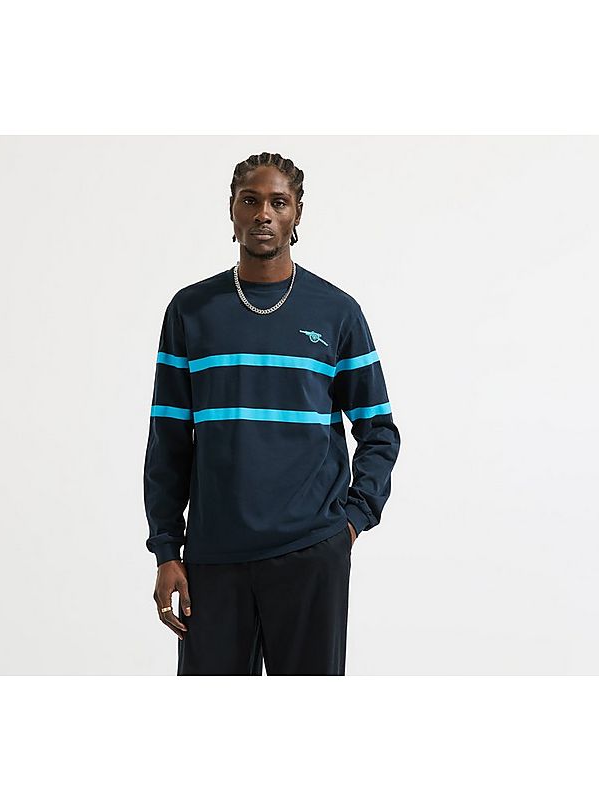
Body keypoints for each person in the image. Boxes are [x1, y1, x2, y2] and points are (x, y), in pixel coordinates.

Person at [143, 151, 401, 675]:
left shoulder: (337, 312)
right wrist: (167, 549)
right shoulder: (191, 310)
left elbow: (378, 429)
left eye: (278, 202)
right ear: (232, 209)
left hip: (311, 551)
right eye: (251, 200)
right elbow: (167, 439)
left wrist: (351, 523)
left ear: (297, 212)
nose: (264, 213)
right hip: (213, 556)